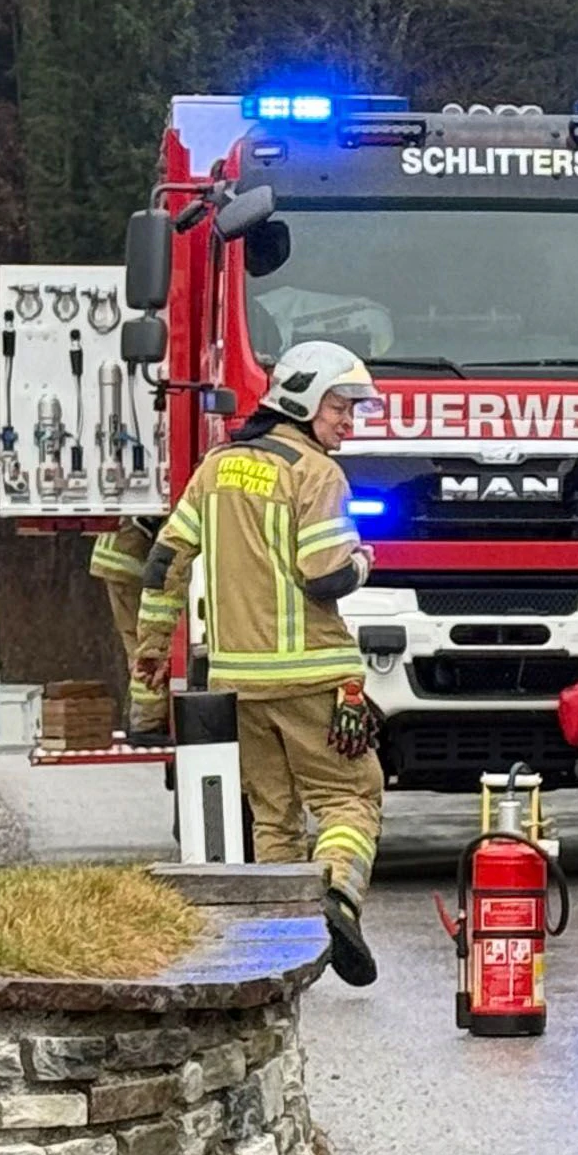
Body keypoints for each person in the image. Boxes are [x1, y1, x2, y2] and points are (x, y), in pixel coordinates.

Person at [136, 340, 386, 987]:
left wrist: (149, 660)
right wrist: (364, 562)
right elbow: (325, 574)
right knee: (350, 798)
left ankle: (286, 947)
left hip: (238, 683)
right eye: (339, 407)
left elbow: (165, 564)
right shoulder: (317, 473)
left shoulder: (216, 468)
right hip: (315, 678)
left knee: (274, 817)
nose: (348, 422)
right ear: (302, 401)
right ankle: (339, 899)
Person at [91, 517, 169, 745]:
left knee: (135, 642)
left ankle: (139, 719)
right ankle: (146, 722)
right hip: (126, 566)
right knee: (145, 645)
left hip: (117, 562)